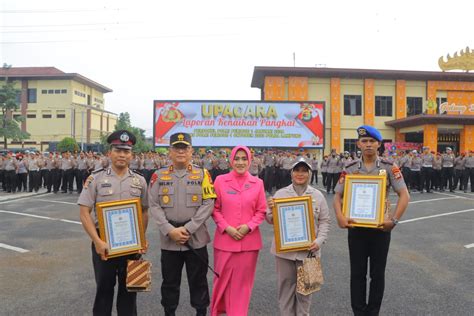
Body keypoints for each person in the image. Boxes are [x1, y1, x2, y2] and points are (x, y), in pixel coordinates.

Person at [333, 125, 410, 316]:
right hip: (356, 229)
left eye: (372, 141)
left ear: (379, 144)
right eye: (364, 141)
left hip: (380, 229)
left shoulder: (389, 167)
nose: (368, 145)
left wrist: (394, 221)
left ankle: (373, 312)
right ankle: (358, 312)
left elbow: (404, 195)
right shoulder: (350, 168)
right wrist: (340, 217)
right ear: (359, 144)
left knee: (377, 274)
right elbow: (337, 196)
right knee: (357, 274)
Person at [78, 130, 149, 316]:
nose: (122, 155)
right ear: (110, 153)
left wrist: (141, 239)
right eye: (118, 150)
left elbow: (144, 210)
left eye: (126, 151)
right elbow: (84, 212)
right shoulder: (96, 178)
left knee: (130, 290)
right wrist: (97, 241)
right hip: (103, 244)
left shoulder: (140, 181)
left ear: (131, 155)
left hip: (131, 245)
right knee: (104, 291)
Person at [148, 132, 216, 316]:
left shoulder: (203, 174)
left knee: (199, 281)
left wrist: (188, 228)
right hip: (170, 240)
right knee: (169, 282)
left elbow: (209, 202)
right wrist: (169, 230)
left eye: (184, 147)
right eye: (176, 147)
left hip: (196, 238)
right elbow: (153, 204)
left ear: (191, 150)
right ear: (170, 151)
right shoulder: (158, 176)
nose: (180, 151)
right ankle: (169, 312)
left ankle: (201, 312)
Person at [266, 157, 330, 316]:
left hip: (310, 252)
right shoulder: (280, 194)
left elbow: (325, 221)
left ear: (309, 173)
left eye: (304, 171)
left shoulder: (318, 195)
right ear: (291, 173)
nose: (300, 174)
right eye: (297, 170)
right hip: (284, 253)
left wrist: (319, 241)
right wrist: (271, 209)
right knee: (285, 292)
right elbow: (271, 220)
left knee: (306, 293)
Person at [210, 145, 267, 316]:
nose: (240, 162)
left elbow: (261, 210)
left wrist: (248, 226)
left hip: (249, 243)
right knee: (222, 282)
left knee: (242, 285)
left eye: (244, 158)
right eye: (237, 158)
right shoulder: (220, 180)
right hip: (225, 241)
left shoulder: (258, 183)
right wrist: (227, 228)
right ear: (231, 160)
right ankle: (219, 311)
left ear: (249, 161)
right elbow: (214, 209)